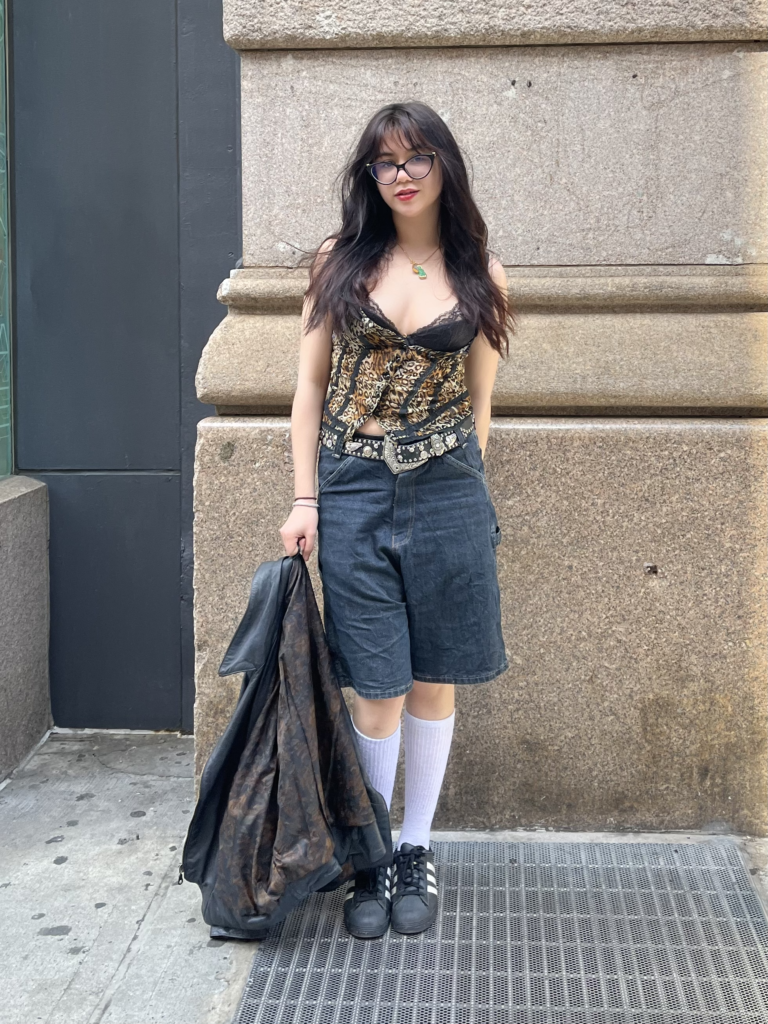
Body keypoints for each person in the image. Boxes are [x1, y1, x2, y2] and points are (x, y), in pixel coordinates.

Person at [279, 100, 517, 940]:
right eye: (384, 163)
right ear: (368, 177)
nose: (402, 175)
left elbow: (481, 405)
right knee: (374, 685)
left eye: (416, 158)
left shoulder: (480, 270)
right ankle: (372, 853)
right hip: (351, 485)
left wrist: (465, 491)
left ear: (444, 166)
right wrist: (305, 499)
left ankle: (416, 847)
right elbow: (308, 390)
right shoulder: (338, 262)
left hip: (449, 486)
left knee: (433, 675)